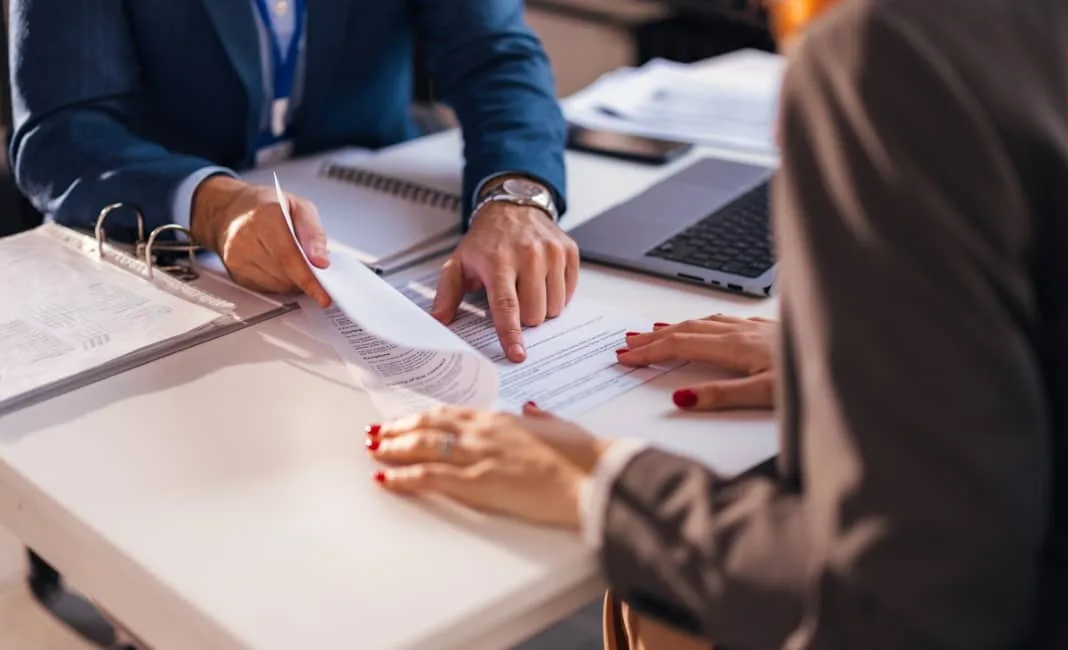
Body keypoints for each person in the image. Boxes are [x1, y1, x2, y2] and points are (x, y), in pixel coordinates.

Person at [365, 0, 1068, 648]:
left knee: (656, 612)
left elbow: (906, 610)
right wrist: (876, 363)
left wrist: (601, 482)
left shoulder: (887, 54)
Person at [8, 0, 576, 362]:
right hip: (162, 268)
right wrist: (213, 205)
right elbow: (61, 130)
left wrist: (515, 197)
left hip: (384, 260)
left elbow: (497, 59)